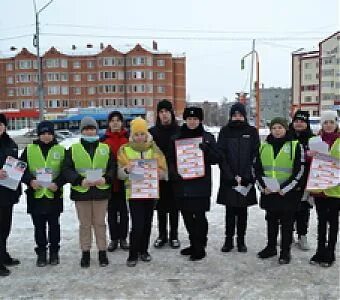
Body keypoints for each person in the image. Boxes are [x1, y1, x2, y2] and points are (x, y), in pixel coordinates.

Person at [62, 117, 116, 268]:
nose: (90, 131)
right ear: (82, 131)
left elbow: (113, 166)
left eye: (92, 129)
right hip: (82, 192)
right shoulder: (73, 149)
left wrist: (106, 179)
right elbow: (66, 169)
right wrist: (79, 180)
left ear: (96, 130)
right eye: (86, 129)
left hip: (101, 192)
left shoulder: (105, 148)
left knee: (100, 224)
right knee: (85, 224)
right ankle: (85, 253)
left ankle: (102, 252)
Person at [168, 107, 220, 261]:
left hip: (201, 184)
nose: (192, 122)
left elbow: (217, 158)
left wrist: (207, 151)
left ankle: (200, 246)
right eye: (189, 119)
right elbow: (170, 158)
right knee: (187, 215)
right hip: (182, 184)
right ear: (185, 120)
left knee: (200, 216)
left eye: (195, 119)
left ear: (200, 120)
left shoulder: (208, 137)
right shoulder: (176, 137)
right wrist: (173, 173)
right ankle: (194, 243)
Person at [117, 117, 167, 267]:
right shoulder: (124, 150)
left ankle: (144, 250)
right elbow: (119, 174)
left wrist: (159, 173)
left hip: (150, 193)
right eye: (137, 134)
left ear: (147, 134)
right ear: (132, 135)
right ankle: (133, 253)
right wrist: (126, 169)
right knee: (137, 225)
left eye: (142, 134)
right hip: (134, 194)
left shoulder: (154, 149)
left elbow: (164, 171)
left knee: (147, 224)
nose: (140, 137)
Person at [254, 117, 304, 264]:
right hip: (269, 192)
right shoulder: (263, 146)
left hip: (287, 193)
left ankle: (285, 251)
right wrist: (263, 187)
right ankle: (270, 247)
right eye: (274, 128)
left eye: (280, 127)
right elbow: (256, 169)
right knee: (271, 221)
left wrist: (286, 188)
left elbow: (299, 171)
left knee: (287, 223)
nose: (277, 130)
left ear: (286, 129)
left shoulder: (295, 146)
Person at [20, 121, 65, 267]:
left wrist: (57, 183)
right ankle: (41, 253)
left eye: (49, 133)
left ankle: (54, 252)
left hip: (54, 195)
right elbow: (21, 169)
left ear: (53, 134)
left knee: (54, 226)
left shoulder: (61, 149)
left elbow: (66, 171)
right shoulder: (30, 149)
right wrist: (30, 181)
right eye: (43, 133)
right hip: (36, 195)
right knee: (39, 227)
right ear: (39, 134)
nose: (46, 136)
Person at [217, 103, 259, 253]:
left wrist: (247, 176)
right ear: (230, 116)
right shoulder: (224, 131)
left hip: (246, 179)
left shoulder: (252, 132)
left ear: (244, 116)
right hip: (229, 180)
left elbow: (255, 155)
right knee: (229, 211)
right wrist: (231, 176)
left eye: (240, 115)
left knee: (242, 212)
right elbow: (221, 155)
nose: (237, 118)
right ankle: (228, 240)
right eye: (234, 115)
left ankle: (241, 240)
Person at [309, 110, 340, 267]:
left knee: (333, 222)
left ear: (336, 124)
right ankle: (320, 251)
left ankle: (330, 253)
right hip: (319, 189)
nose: (328, 125)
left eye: (331, 122)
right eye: (325, 123)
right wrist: (310, 156)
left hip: (335, 190)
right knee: (321, 222)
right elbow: (311, 165)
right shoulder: (315, 140)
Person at [149, 100, 181, 249]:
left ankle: (174, 235)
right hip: (158, 176)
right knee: (161, 207)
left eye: (167, 111)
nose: (164, 115)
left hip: (175, 176)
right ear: (158, 114)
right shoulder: (152, 132)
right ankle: (162, 235)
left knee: (174, 207)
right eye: (161, 112)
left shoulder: (179, 131)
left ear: (171, 113)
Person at [101, 111, 129, 252]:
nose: (115, 123)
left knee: (124, 212)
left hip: (126, 181)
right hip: (109, 182)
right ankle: (113, 239)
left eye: (118, 120)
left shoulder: (128, 138)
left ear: (122, 122)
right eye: (113, 120)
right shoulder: (103, 140)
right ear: (109, 123)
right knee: (111, 212)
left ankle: (123, 238)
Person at [288, 110, 314, 251]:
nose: (299, 123)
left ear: (306, 124)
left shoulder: (313, 140)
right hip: (288, 180)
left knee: (303, 209)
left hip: (306, 181)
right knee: (287, 209)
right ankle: (288, 233)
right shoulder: (286, 137)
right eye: (296, 121)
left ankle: (302, 235)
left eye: (302, 121)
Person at [0, 114, 21, 276]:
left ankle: (3, 254)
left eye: (1, 124)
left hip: (8, 192)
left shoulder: (10, 143)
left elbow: (17, 167)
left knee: (5, 227)